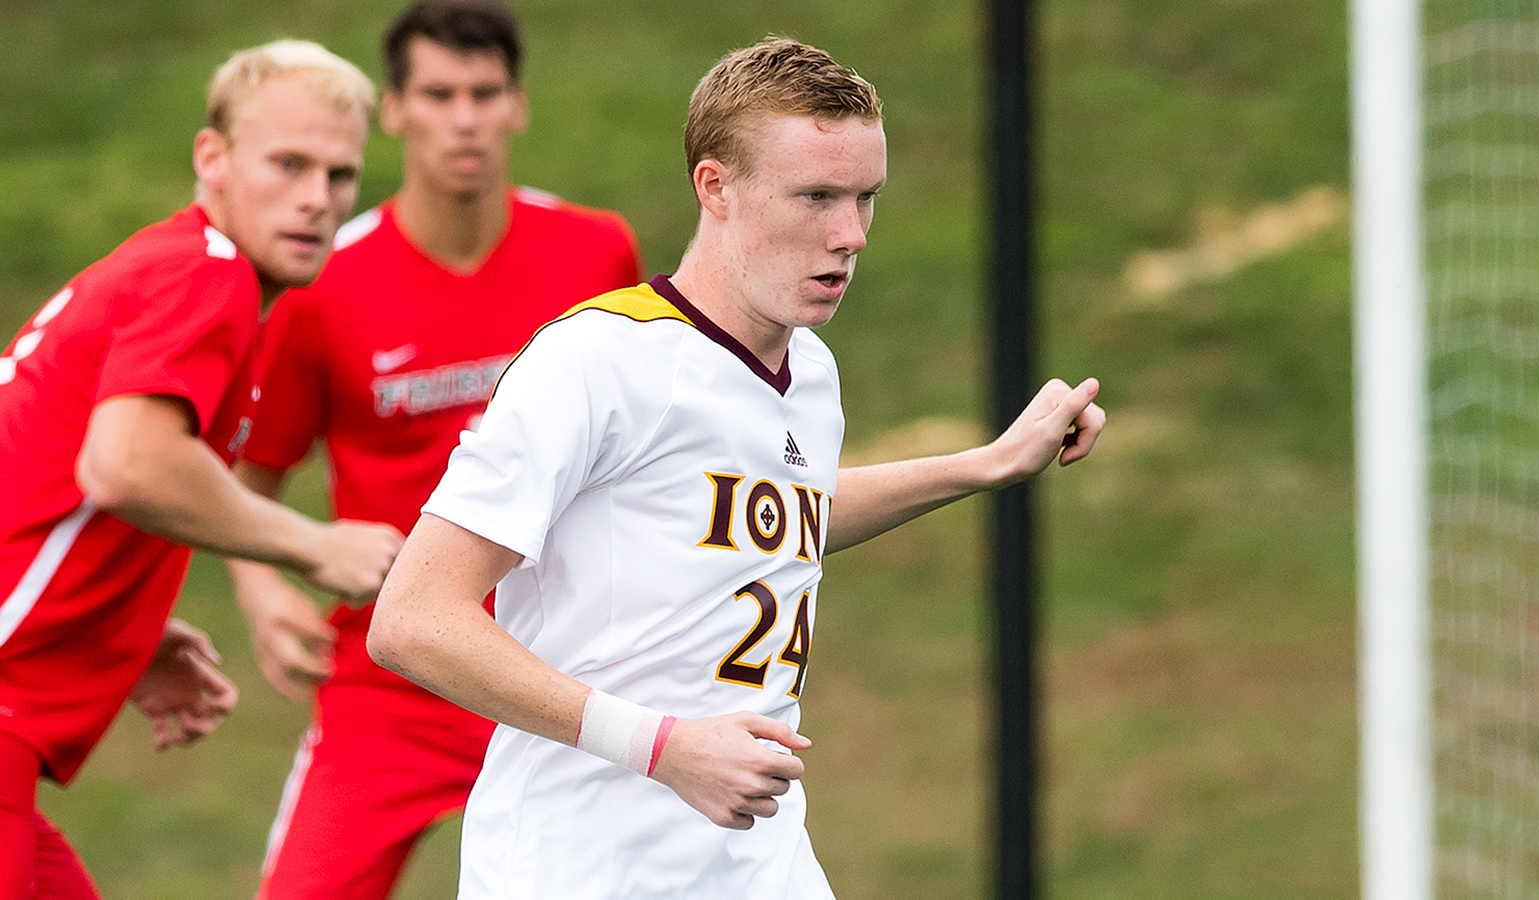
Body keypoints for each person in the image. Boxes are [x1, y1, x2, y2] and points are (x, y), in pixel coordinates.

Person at [367, 37, 1104, 899]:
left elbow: (778, 517)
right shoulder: (598, 360)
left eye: (866, 197)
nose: (851, 235)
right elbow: (413, 619)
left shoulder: (810, 369)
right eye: (816, 197)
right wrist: (663, 748)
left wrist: (982, 466)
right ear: (714, 187)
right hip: (582, 868)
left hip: (759, 864)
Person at [223, 3, 642, 899]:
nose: (465, 119)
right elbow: (250, 477)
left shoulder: (597, 253)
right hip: (393, 679)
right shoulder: (324, 284)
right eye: (440, 95)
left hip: (559, 665)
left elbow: (644, 452)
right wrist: (260, 591)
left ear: (517, 105)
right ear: (395, 109)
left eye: (485, 94)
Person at [0, 39, 403, 900]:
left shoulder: (175, 269)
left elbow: (43, 478)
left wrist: (119, 634)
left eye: (339, 175)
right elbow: (126, 464)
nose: (317, 198)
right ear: (212, 158)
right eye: (288, 164)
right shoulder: (204, 275)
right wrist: (313, 544)